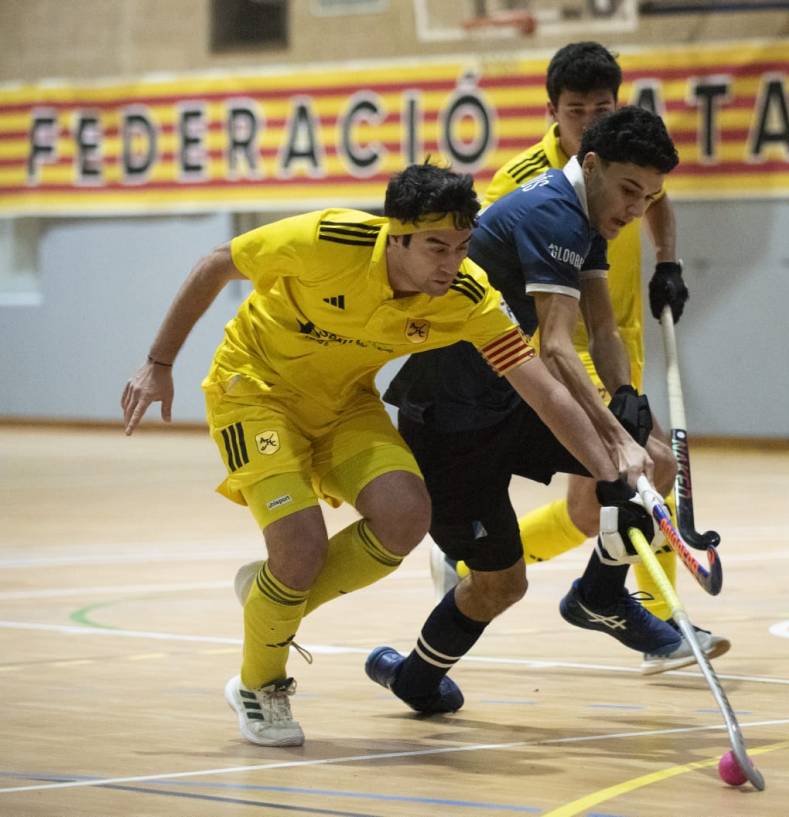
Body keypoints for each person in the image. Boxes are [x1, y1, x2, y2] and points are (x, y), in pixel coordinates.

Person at [121, 162, 653, 747]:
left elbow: (541, 385)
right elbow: (214, 265)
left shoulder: (469, 294)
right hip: (255, 392)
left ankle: (271, 603)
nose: (450, 264)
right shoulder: (326, 239)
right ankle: (260, 684)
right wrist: (160, 362)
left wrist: (609, 464)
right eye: (435, 247)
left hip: (346, 404)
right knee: (299, 548)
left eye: (460, 246)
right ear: (394, 234)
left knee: (405, 516)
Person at [366, 107, 720, 712]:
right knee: (502, 585)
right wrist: (614, 436)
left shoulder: (586, 213)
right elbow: (556, 348)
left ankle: (599, 596)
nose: (637, 210)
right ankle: (414, 678)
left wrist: (625, 401)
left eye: (650, 197)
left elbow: (601, 326)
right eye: (630, 190)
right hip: (449, 421)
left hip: (507, 396)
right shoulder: (551, 213)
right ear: (590, 164)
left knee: (653, 460)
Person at [425, 41, 729, 673]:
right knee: (634, 473)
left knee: (599, 503)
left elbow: (658, 198)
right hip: (545, 350)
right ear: (552, 112)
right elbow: (537, 321)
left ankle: (594, 594)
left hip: (614, 336)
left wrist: (668, 261)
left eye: (602, 106)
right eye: (576, 109)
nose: (590, 118)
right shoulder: (531, 186)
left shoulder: (628, 166)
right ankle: (633, 607)